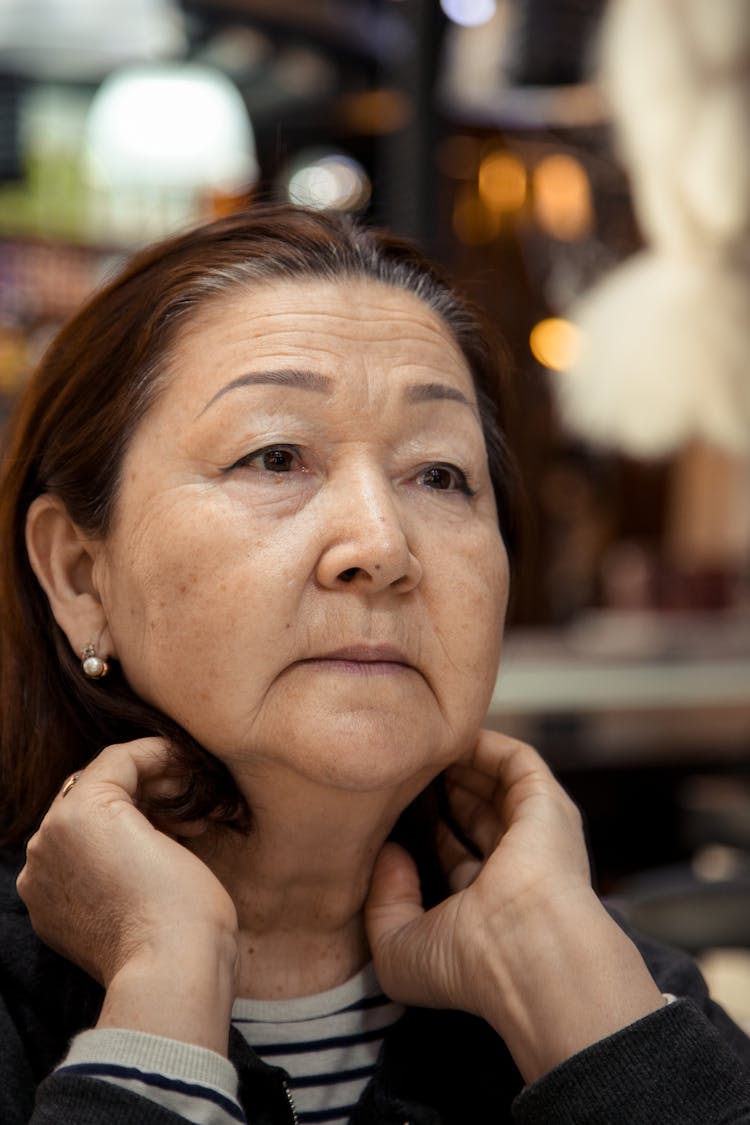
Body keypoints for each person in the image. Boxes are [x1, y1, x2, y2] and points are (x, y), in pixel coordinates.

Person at [0, 205, 748, 1125]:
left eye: (439, 474)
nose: (382, 544)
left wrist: (583, 1007)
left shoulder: (612, 990)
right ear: (81, 574)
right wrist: (164, 990)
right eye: (275, 456)